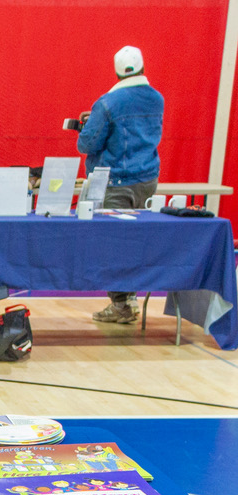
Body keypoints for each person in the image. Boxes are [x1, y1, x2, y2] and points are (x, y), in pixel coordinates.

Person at [77, 45, 164, 324]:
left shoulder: (107, 103)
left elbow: (87, 143)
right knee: (137, 243)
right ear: (142, 67)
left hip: (115, 182)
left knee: (112, 245)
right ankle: (130, 297)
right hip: (148, 181)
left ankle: (121, 304)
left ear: (116, 71)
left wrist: (87, 126)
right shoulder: (157, 100)